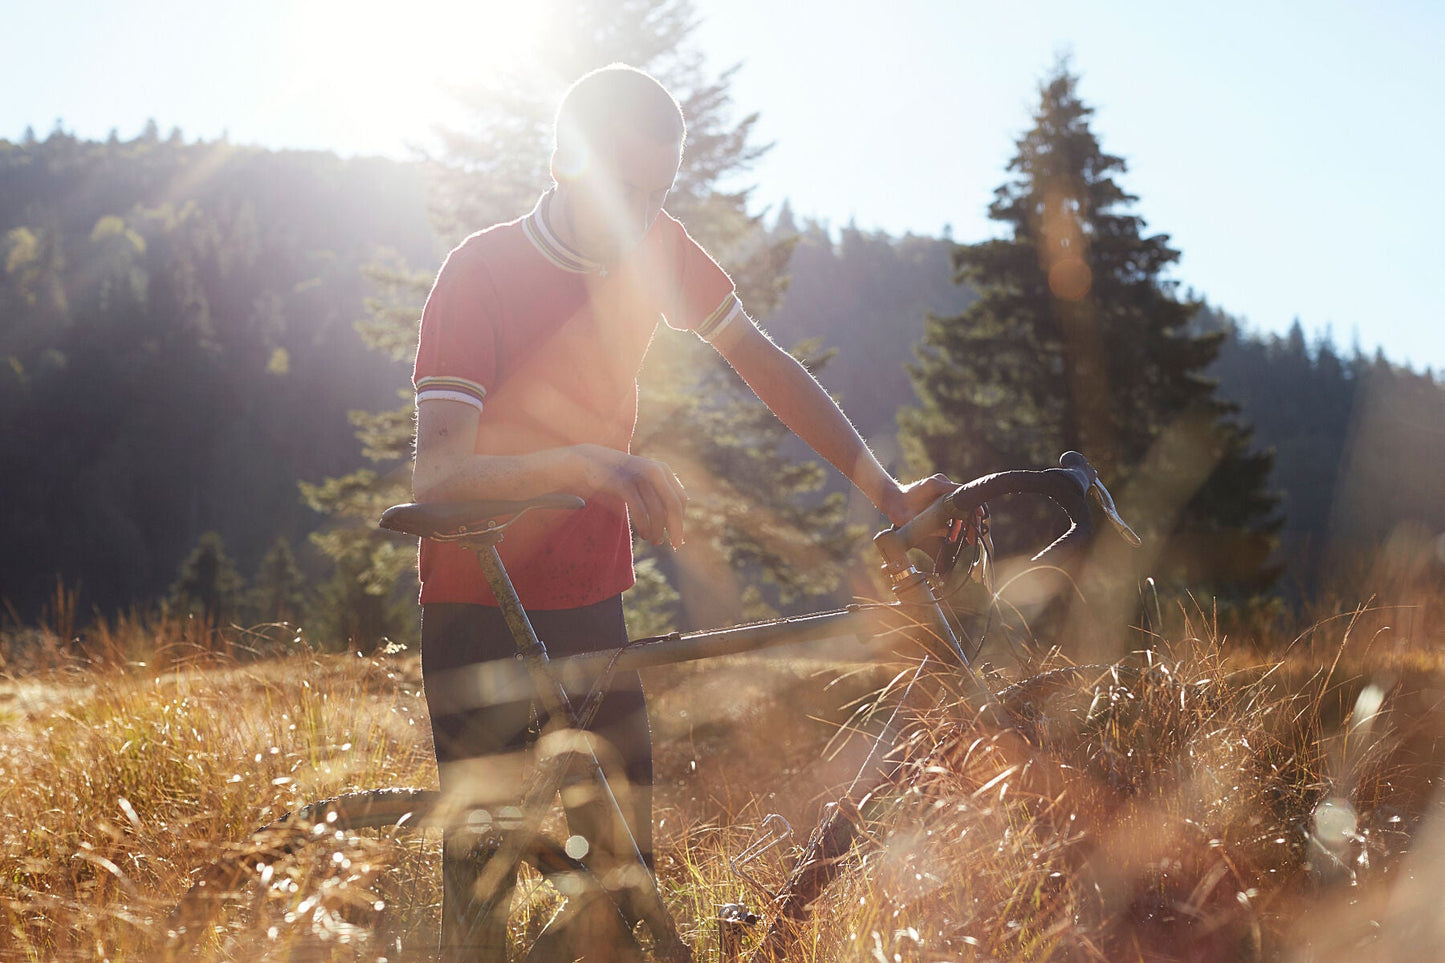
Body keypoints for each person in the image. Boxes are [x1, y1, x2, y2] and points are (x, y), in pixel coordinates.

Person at [410, 63, 952, 960]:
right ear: (562, 162)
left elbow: (764, 366)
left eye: (657, 193)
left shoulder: (656, 246)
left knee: (623, 897)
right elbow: (437, 476)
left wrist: (885, 492)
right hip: (477, 608)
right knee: (479, 896)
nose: (640, 216)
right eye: (623, 188)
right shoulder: (480, 273)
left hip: (588, 603)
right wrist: (587, 464)